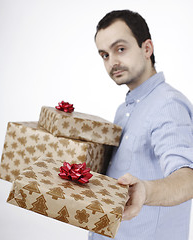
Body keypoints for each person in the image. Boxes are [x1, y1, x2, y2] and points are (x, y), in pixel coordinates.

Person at [89, 10, 193, 240]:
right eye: (104, 55)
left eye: (120, 49)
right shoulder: (125, 108)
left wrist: (145, 191)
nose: (112, 62)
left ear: (147, 49)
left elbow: (188, 178)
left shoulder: (168, 104)